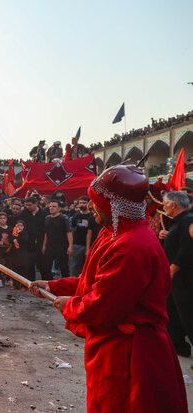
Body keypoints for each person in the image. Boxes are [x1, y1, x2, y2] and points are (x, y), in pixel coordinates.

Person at [29, 165, 187, 412]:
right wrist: (53, 284)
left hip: (131, 355)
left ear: (116, 207)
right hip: (112, 348)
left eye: (96, 202)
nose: (91, 208)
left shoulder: (130, 246)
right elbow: (93, 282)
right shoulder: (112, 232)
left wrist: (68, 304)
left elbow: (104, 303)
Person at [160, 191, 193, 357]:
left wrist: (171, 271)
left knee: (188, 315)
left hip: (184, 279)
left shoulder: (188, 220)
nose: (163, 206)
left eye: (165, 203)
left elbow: (187, 250)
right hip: (175, 279)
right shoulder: (178, 222)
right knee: (173, 314)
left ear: (173, 204)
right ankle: (178, 346)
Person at [20, 197, 48, 281]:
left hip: (41, 242)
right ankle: (31, 282)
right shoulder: (24, 213)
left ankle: (45, 282)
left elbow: (47, 229)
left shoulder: (44, 214)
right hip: (29, 243)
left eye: (30, 205)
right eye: (26, 205)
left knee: (43, 265)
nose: (28, 207)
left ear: (36, 204)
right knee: (29, 264)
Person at [70, 196, 93, 276]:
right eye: (80, 203)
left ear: (88, 204)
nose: (82, 204)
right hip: (77, 244)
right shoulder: (76, 216)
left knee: (88, 267)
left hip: (90, 245)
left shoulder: (92, 216)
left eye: (84, 203)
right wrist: (71, 245)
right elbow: (72, 230)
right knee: (75, 266)